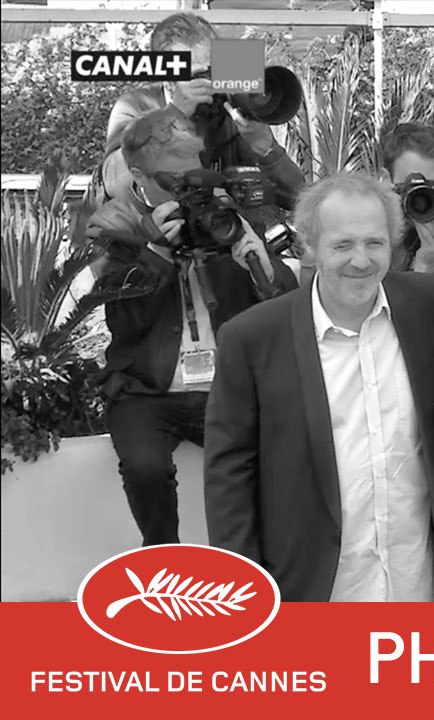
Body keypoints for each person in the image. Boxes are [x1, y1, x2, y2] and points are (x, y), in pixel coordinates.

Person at [204, 174, 434, 602]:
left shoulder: (425, 303)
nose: (361, 260)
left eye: (374, 243)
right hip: (310, 591)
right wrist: (242, 593)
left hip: (413, 582)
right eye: (343, 245)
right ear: (310, 245)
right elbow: (229, 477)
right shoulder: (252, 338)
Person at [85, 107, 297, 547]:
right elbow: (124, 321)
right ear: (138, 177)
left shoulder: (228, 207)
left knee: (281, 454)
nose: (188, 191)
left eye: (195, 175)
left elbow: (283, 304)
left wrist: (258, 263)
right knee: (145, 467)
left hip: (227, 386)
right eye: (173, 182)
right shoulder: (114, 225)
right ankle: (164, 559)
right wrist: (155, 255)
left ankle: (254, 562)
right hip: (147, 390)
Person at [101, 13, 304, 205]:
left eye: (214, 71)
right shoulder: (136, 105)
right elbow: (114, 183)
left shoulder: (229, 112)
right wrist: (174, 114)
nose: (209, 83)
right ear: (167, 80)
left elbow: (296, 198)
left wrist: (265, 147)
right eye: (197, 76)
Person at [379, 123, 434, 276]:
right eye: (414, 185)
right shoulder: (359, 230)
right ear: (386, 180)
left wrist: (430, 263)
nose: (421, 198)